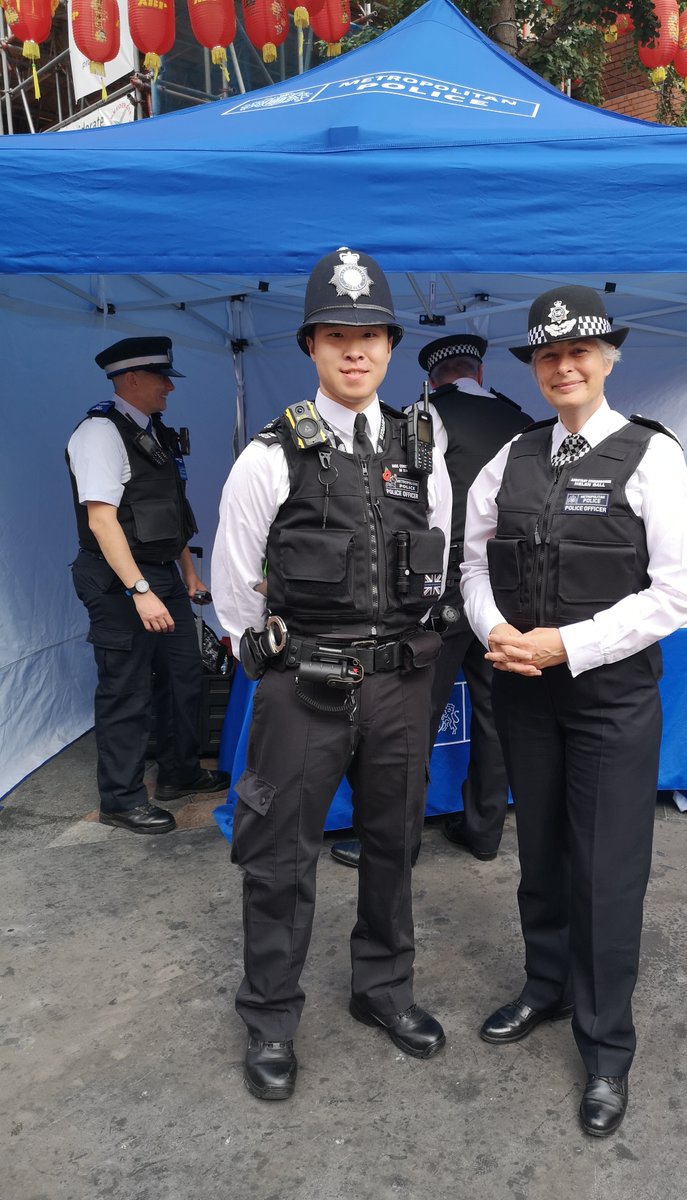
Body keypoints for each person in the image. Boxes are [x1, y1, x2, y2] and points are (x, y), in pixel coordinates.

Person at [210, 247, 453, 1102]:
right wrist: (279, 661)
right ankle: (271, 1019)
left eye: (372, 335)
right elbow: (236, 593)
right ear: (311, 345)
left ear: (391, 345)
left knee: (394, 847)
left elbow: (441, 558)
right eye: (337, 334)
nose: (356, 350)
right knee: (279, 860)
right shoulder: (269, 456)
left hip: (399, 689)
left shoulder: (424, 449)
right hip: (301, 691)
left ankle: (383, 992)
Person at [460, 285, 687, 1138]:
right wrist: (495, 629)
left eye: (580, 354)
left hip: (609, 699)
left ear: (608, 361)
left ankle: (607, 1051)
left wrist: (570, 644)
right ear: (532, 366)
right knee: (542, 856)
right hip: (525, 689)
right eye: (548, 356)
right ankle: (546, 986)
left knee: (605, 872)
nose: (564, 367)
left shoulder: (652, 455)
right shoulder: (514, 455)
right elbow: (470, 562)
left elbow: (678, 590)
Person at [330, 332, 530, 870]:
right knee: (494, 716)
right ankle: (484, 831)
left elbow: (415, 500)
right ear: (479, 372)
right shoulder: (521, 417)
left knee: (414, 716)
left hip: (447, 586)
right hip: (509, 590)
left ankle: (399, 843)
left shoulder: (427, 414)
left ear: (434, 376)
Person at [66, 336, 229, 836]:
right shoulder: (99, 434)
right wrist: (140, 590)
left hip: (161, 575)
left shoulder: (152, 431)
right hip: (120, 580)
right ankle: (121, 798)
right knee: (128, 690)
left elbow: (169, 514)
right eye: (161, 380)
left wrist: (188, 573)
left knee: (186, 676)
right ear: (130, 379)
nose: (168, 389)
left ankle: (179, 774)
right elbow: (102, 521)